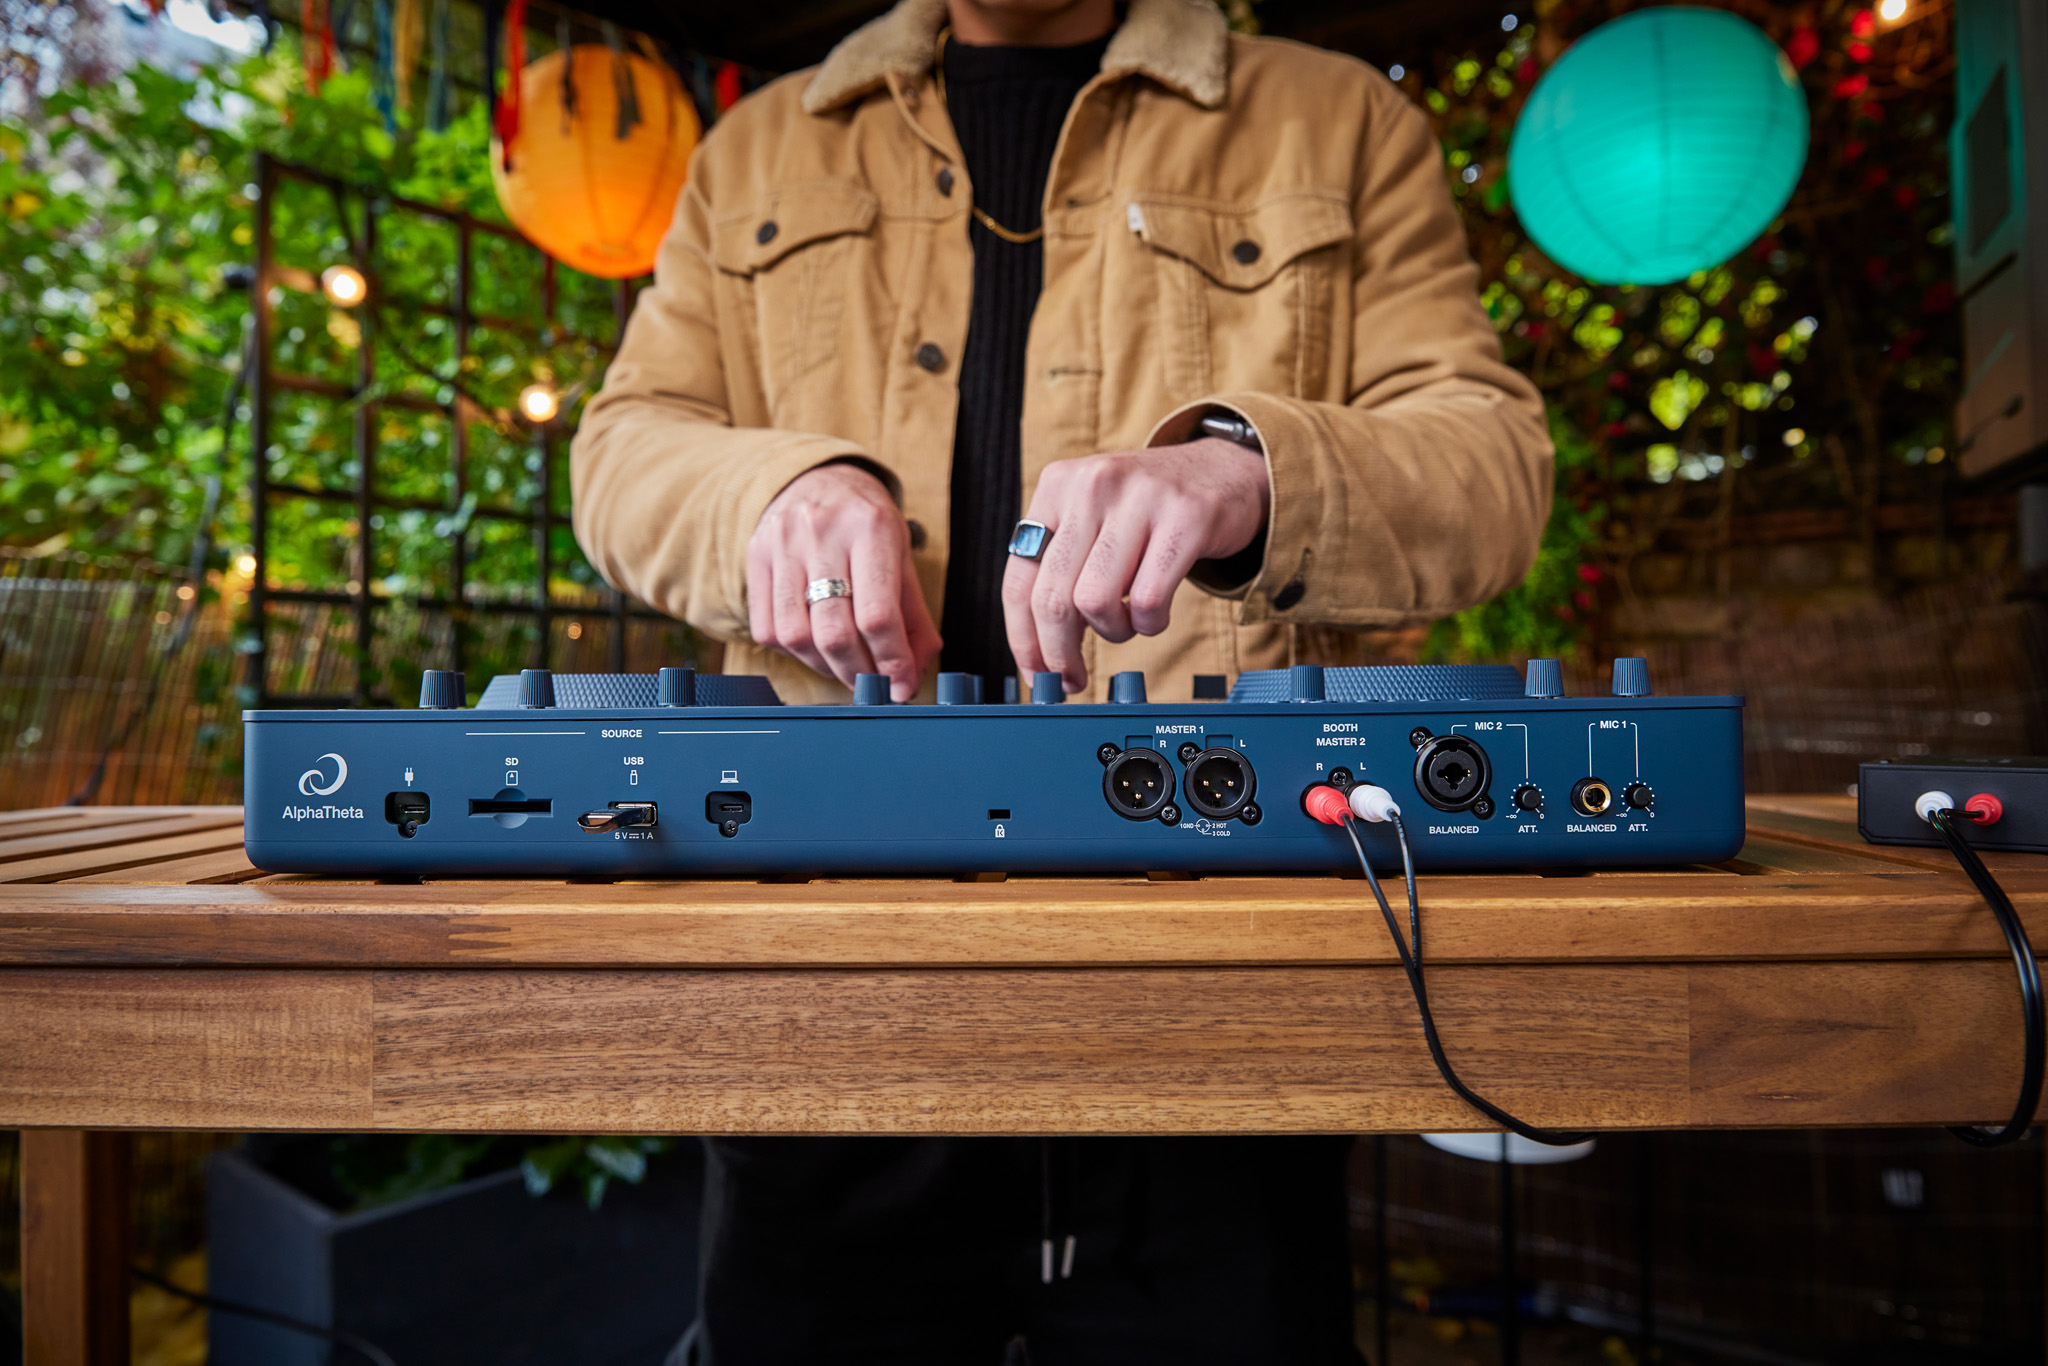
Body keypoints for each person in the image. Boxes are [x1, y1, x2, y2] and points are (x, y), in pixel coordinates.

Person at [572, 0, 1551, 1359]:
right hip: (825, 1003)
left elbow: (1494, 463)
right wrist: (770, 490)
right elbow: (620, 449)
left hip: (1225, 1008)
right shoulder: (755, 145)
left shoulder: (1342, 121)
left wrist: (1242, 470)